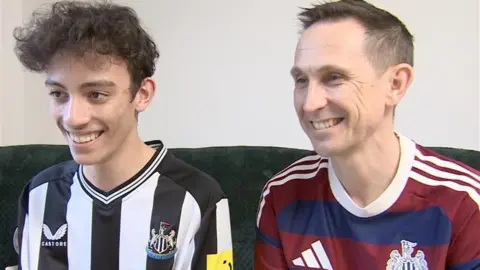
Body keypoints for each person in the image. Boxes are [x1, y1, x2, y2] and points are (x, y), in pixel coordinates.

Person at [254, 0, 480, 269]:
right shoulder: (282, 195)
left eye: (334, 77)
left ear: (395, 84)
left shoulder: (464, 202)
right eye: (301, 80)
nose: (309, 103)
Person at [12, 1, 233, 269]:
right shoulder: (39, 194)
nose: (72, 117)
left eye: (96, 95)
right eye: (59, 94)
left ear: (142, 94)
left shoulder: (199, 199)